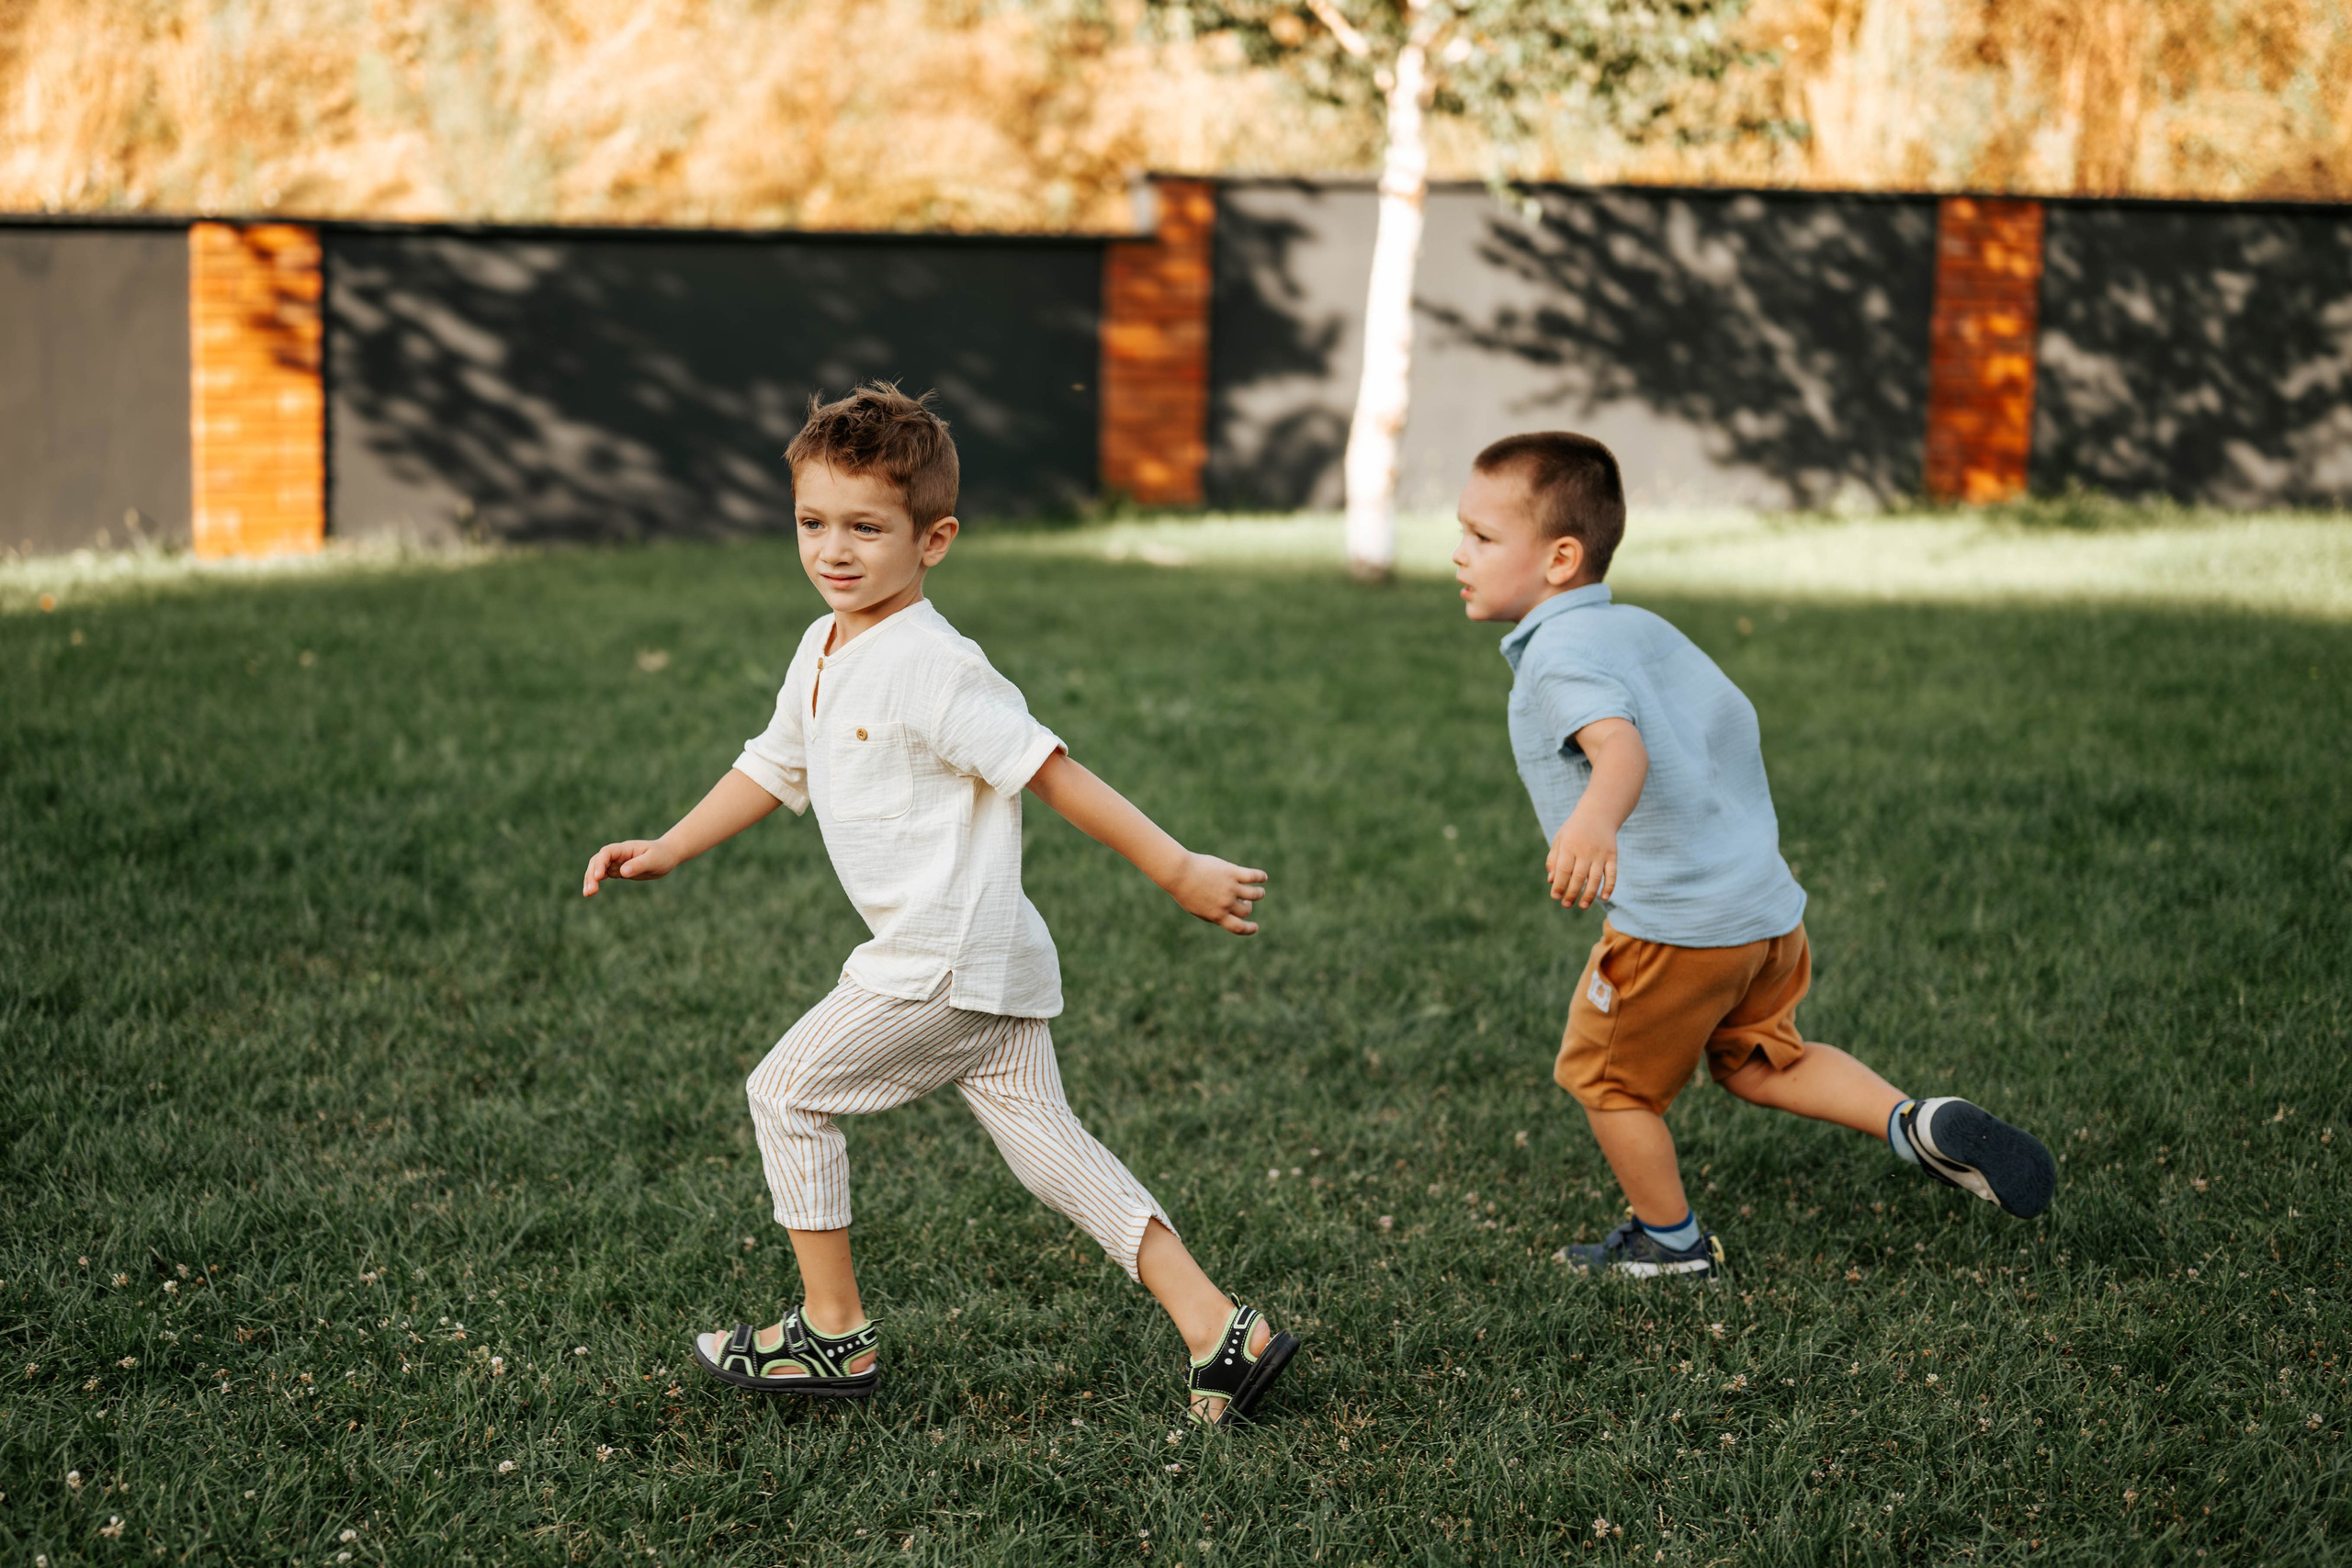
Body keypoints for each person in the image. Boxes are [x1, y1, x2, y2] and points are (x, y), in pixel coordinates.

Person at [582, 383, 1296, 1422]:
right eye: (812, 523)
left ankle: (833, 1337)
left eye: (866, 528)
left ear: (934, 539)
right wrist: (672, 847)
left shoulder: (935, 666)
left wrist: (1175, 864)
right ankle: (1223, 1331)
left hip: (942, 958)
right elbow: (773, 762)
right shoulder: (823, 645)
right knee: (1056, 1155)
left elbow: (1051, 770)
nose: (833, 550)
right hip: (984, 959)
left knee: (785, 1092)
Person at [1452, 431, 2057, 1279]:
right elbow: (1730, 722)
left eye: (1481, 537)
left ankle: (1671, 1246)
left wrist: (1592, 822)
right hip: (1765, 914)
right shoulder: (1641, 629)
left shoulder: (1556, 655)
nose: (1458, 553)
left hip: (1675, 929)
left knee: (1608, 1080)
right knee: (1764, 1058)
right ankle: (1913, 1122)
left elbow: (1621, 752)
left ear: (1560, 557)